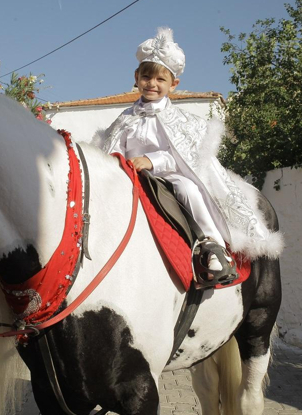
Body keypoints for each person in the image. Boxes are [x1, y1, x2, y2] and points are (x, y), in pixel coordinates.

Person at [103, 27, 238, 288]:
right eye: (146, 77)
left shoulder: (179, 120)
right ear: (136, 77)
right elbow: (112, 147)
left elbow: (182, 155)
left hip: (168, 174)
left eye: (160, 80)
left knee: (187, 188)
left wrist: (152, 161)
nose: (152, 84)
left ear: (173, 84)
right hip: (131, 177)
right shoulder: (125, 118)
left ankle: (213, 247)